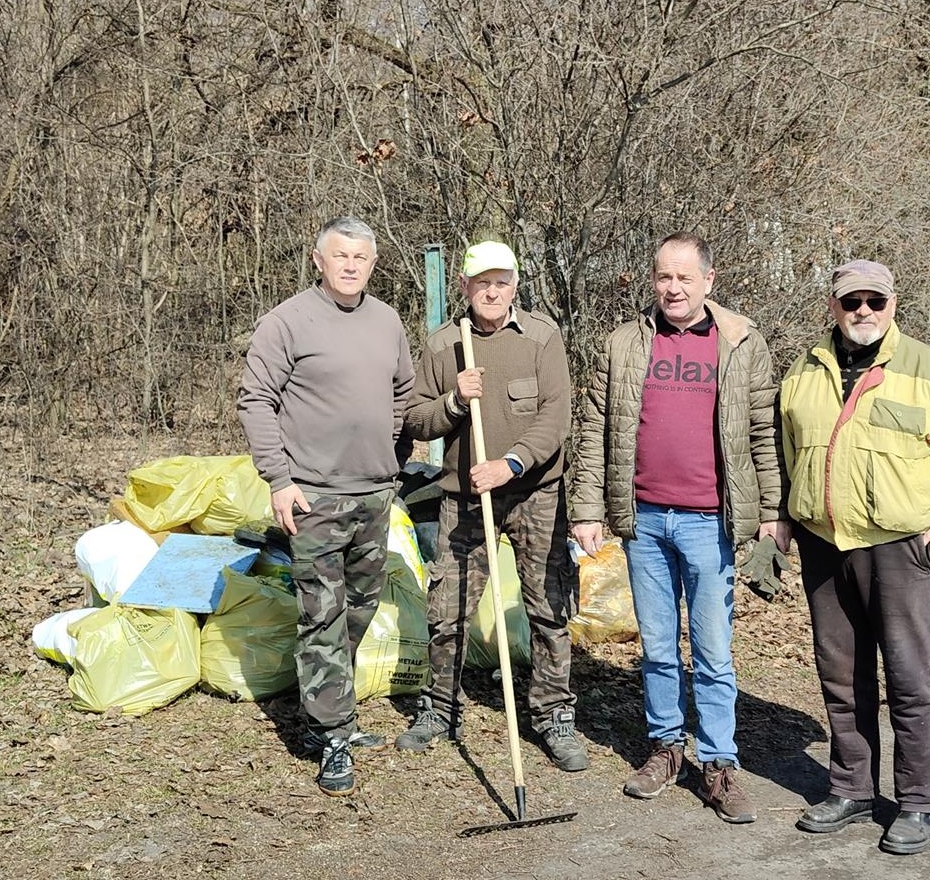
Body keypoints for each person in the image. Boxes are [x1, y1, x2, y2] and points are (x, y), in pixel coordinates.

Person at [778, 258, 930, 853]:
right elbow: (784, 454)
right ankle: (852, 789)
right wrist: (782, 514)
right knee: (840, 677)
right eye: (851, 301)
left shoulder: (929, 371)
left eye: (875, 302)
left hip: (897, 548)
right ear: (832, 305)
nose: (863, 312)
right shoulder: (803, 374)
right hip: (824, 545)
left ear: (893, 305)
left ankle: (918, 803)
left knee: (909, 679)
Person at [570, 231, 787, 824]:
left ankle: (719, 763)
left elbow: (765, 433)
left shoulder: (740, 343)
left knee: (714, 654)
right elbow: (593, 433)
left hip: (711, 523)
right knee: (659, 649)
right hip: (643, 520)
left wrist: (772, 512)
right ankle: (666, 748)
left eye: (684, 277)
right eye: (664, 276)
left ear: (708, 281)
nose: (672, 287)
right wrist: (587, 510)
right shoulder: (623, 344)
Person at [237, 216, 415, 797]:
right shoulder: (286, 321)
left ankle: (325, 708)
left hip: (373, 491)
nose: (350, 266)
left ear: (372, 263)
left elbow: (402, 397)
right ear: (319, 259)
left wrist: (394, 459)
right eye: (340, 256)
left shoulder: (387, 321)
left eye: (361, 258)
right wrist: (279, 480)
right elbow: (256, 400)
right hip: (312, 495)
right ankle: (332, 734)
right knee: (322, 610)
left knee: (361, 604)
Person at [395, 240, 587, 772]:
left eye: (501, 281)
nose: (492, 291)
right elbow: (415, 421)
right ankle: (438, 709)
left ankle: (553, 715)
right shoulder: (442, 346)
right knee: (448, 609)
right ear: (464, 286)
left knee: (548, 607)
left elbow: (556, 417)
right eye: (482, 282)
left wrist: (513, 463)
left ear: (515, 286)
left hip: (536, 493)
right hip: (463, 497)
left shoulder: (542, 338)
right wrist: (454, 401)